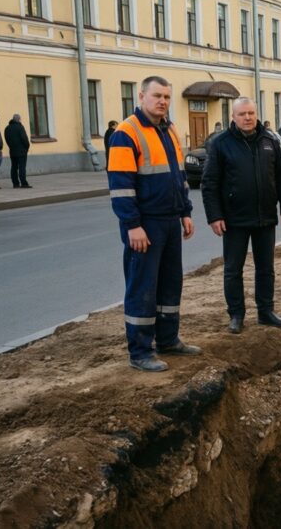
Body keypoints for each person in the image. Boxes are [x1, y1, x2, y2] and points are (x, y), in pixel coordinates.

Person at [107, 75, 201, 372]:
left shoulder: (169, 129)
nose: (162, 101)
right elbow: (121, 186)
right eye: (157, 95)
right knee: (143, 288)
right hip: (145, 224)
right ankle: (140, 352)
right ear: (141, 96)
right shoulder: (126, 132)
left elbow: (178, 177)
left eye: (166, 97)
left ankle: (168, 339)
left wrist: (185, 211)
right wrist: (133, 225)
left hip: (171, 219)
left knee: (170, 284)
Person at [202, 97, 281, 334]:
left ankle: (266, 311)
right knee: (233, 269)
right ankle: (236, 315)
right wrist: (214, 216)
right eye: (242, 114)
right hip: (234, 219)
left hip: (265, 217)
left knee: (266, 268)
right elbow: (209, 183)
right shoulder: (221, 143)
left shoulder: (269, 140)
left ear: (256, 114)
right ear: (233, 117)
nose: (247, 118)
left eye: (251, 113)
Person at [4, 114, 32, 188]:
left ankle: (15, 183)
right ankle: (24, 183)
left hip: (12, 151)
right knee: (22, 167)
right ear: (19, 119)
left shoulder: (7, 128)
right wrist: (27, 147)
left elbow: (6, 139)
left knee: (14, 167)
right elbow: (24, 139)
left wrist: (11, 146)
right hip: (22, 151)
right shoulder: (20, 127)